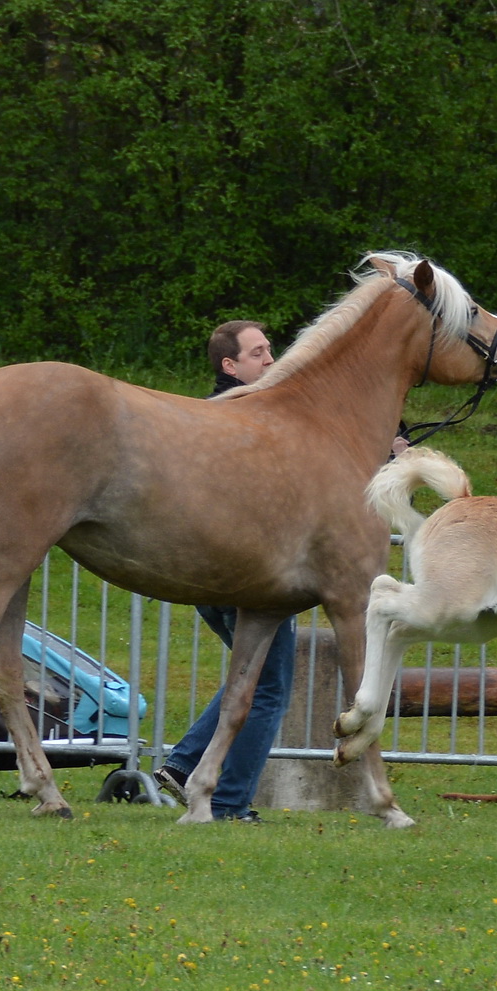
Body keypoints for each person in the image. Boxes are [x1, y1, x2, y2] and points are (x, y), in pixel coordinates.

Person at [152, 321, 295, 821]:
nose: (271, 360)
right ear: (230, 366)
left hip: (211, 576)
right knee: (267, 687)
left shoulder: (209, 415)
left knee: (251, 677)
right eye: (258, 353)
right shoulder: (249, 417)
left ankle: (185, 763)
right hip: (248, 576)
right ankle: (229, 801)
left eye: (270, 350)